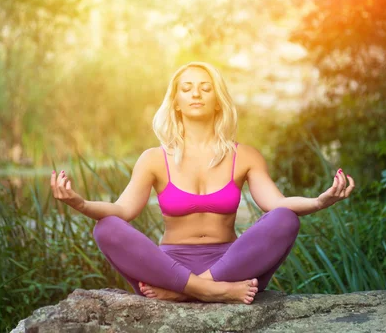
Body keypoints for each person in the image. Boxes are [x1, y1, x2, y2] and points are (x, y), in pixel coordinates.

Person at [50, 61, 355, 304]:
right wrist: (78, 202)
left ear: (218, 101)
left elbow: (276, 204)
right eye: (187, 88)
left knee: (285, 220)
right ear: (177, 102)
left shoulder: (244, 156)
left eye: (205, 88)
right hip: (168, 271)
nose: (196, 94)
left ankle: (188, 292)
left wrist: (319, 201)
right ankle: (211, 291)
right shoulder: (154, 159)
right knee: (106, 228)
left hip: (233, 267)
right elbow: (122, 210)